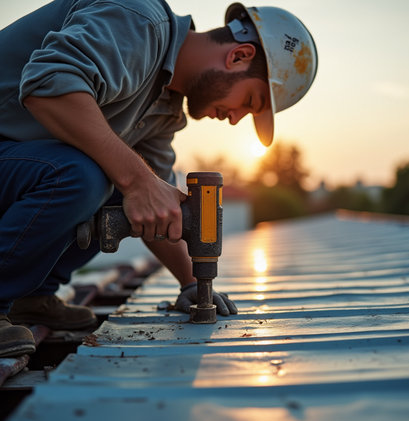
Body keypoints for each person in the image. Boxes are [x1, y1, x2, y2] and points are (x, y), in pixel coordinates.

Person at [0, 0, 318, 357]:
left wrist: (193, 285)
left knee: (120, 178)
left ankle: (33, 294)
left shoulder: (164, 107)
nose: (235, 119)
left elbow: (156, 207)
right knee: (90, 174)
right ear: (238, 56)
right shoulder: (138, 19)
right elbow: (47, 85)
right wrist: (138, 182)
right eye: (250, 101)